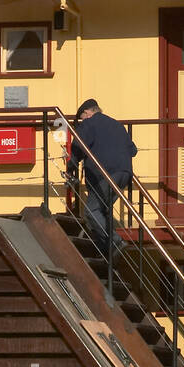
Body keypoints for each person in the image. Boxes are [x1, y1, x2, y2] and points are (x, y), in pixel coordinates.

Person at [67, 98, 138, 256]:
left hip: (106, 174)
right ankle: (107, 250)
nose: (82, 121)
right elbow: (133, 150)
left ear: (87, 113)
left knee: (91, 211)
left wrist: (71, 166)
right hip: (124, 173)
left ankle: (115, 242)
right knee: (103, 210)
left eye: (82, 118)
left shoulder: (89, 123)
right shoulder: (117, 125)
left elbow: (78, 145)